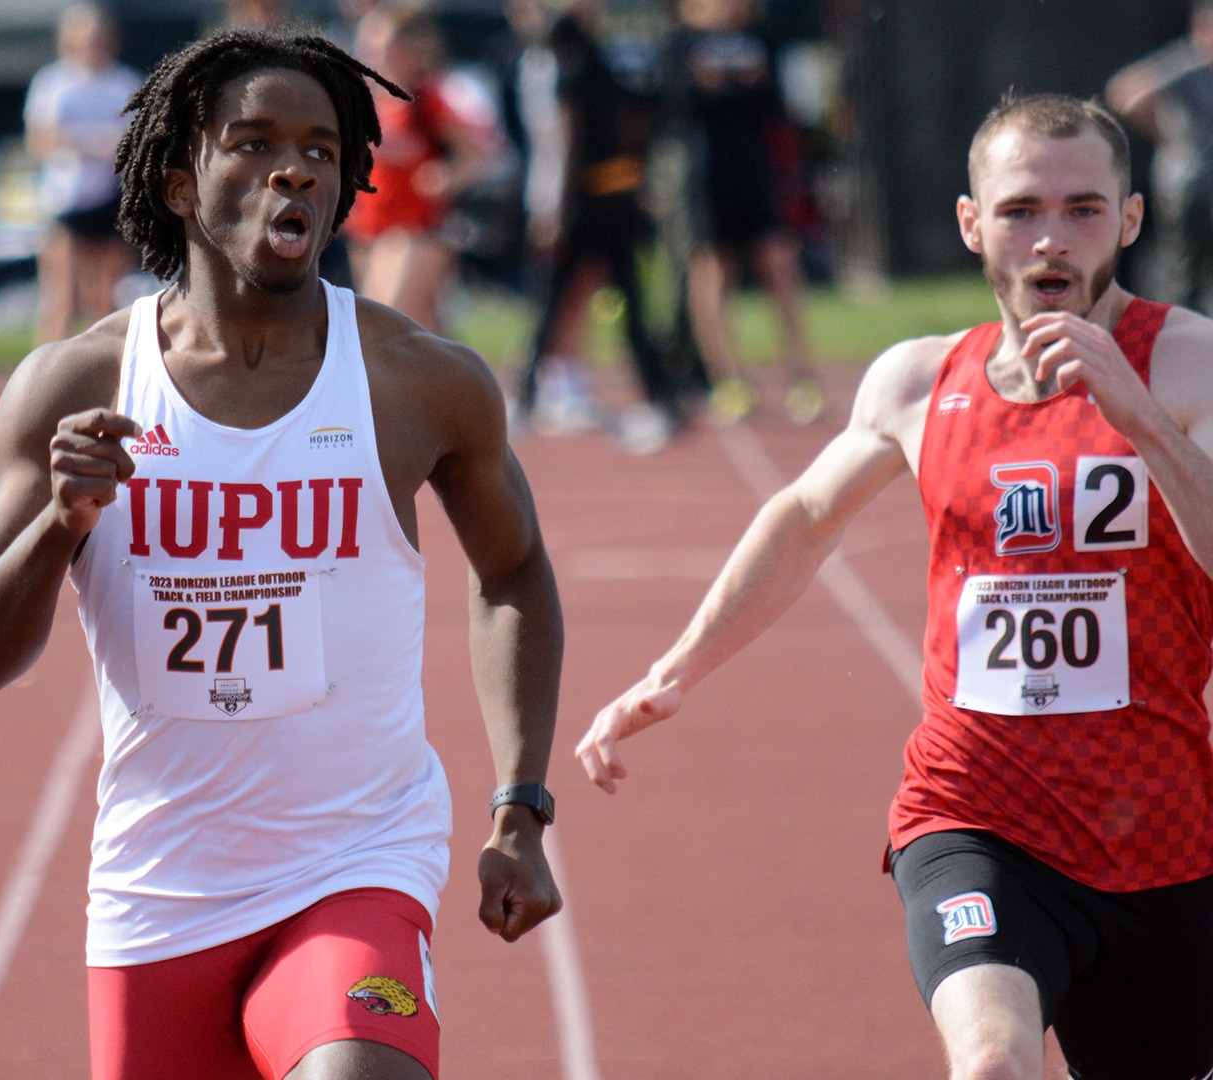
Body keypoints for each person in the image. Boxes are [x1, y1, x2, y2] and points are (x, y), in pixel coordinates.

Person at [0, 27, 564, 1080]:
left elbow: (513, 572)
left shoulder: (418, 381)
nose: (297, 168)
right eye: (257, 142)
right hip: (161, 889)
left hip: (355, 862)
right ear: (182, 183)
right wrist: (64, 522)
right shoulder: (77, 386)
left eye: (322, 149)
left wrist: (520, 805)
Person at [576, 92, 1213, 1078]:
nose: (1051, 238)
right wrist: (673, 669)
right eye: (1019, 210)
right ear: (971, 224)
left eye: (1084, 209)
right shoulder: (919, 382)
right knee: (992, 1062)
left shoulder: (1188, 365)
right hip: (977, 815)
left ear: (1130, 220)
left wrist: (1143, 423)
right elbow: (800, 521)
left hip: (1162, 832)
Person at [514, 3, 684, 453]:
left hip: (586, 207)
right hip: (621, 198)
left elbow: (570, 147)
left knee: (551, 306)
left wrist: (557, 212)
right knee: (631, 309)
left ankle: (526, 398)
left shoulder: (570, 76)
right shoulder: (612, 70)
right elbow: (637, 128)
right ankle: (661, 402)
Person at [664, 0, 820, 424]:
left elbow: (773, 100)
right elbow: (681, 103)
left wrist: (730, 84)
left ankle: (802, 376)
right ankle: (728, 380)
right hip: (708, 174)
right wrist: (731, 85)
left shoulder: (761, 37)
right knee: (714, 270)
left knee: (779, 262)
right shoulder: (681, 41)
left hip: (756, 171)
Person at [344, 7, 493, 334]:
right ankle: (461, 383)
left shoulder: (425, 99)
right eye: (369, 44)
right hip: (371, 233)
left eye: (384, 43)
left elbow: (479, 153)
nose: (374, 52)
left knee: (385, 326)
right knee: (420, 333)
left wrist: (446, 176)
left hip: (416, 231)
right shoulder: (366, 104)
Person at [24, 5, 142, 344]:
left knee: (106, 304)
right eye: (86, 38)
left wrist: (115, 147)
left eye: (100, 38)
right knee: (61, 300)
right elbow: (39, 139)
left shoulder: (125, 83)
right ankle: (43, 387)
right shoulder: (53, 83)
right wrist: (90, 143)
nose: (94, 45)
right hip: (67, 201)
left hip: (111, 199)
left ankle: (106, 384)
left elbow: (137, 141)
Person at [1106, 0, 1213, 314]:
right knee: (1184, 266)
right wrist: (1163, 135)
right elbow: (1126, 93)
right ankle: (1178, 327)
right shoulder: (1185, 64)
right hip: (1187, 184)